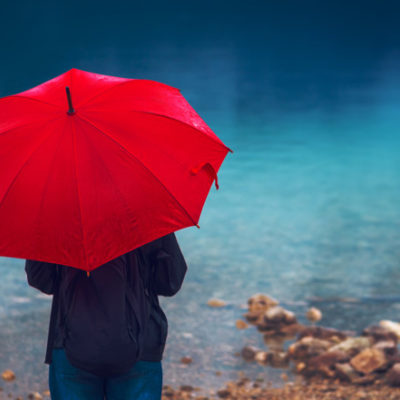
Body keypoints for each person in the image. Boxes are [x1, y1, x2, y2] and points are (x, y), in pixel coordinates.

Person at [25, 232, 187, 400]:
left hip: (71, 341)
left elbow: (41, 279)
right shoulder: (147, 214)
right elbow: (170, 282)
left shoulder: (58, 217)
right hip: (140, 343)